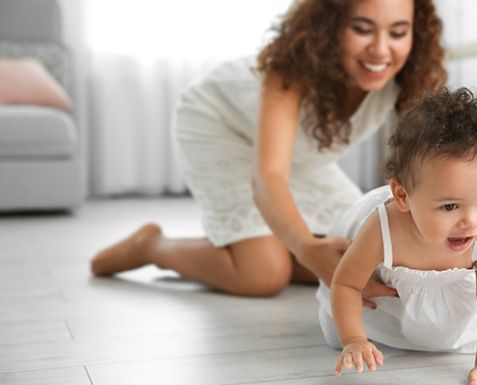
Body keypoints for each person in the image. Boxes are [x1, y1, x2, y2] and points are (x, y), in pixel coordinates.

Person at [89, 0, 447, 299]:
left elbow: (430, 167)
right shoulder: (289, 69)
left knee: (358, 253)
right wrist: (305, 246)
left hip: (299, 157)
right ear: (329, 26)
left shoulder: (408, 77)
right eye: (362, 29)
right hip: (220, 126)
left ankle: (259, 243)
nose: (381, 50)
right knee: (263, 274)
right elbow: (269, 176)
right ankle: (152, 246)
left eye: (398, 33)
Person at [316, 88, 477, 385]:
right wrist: (354, 339)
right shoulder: (383, 229)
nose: (471, 222)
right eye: (449, 206)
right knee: (334, 332)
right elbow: (346, 284)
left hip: (440, 315)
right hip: (384, 308)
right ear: (403, 196)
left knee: (444, 340)